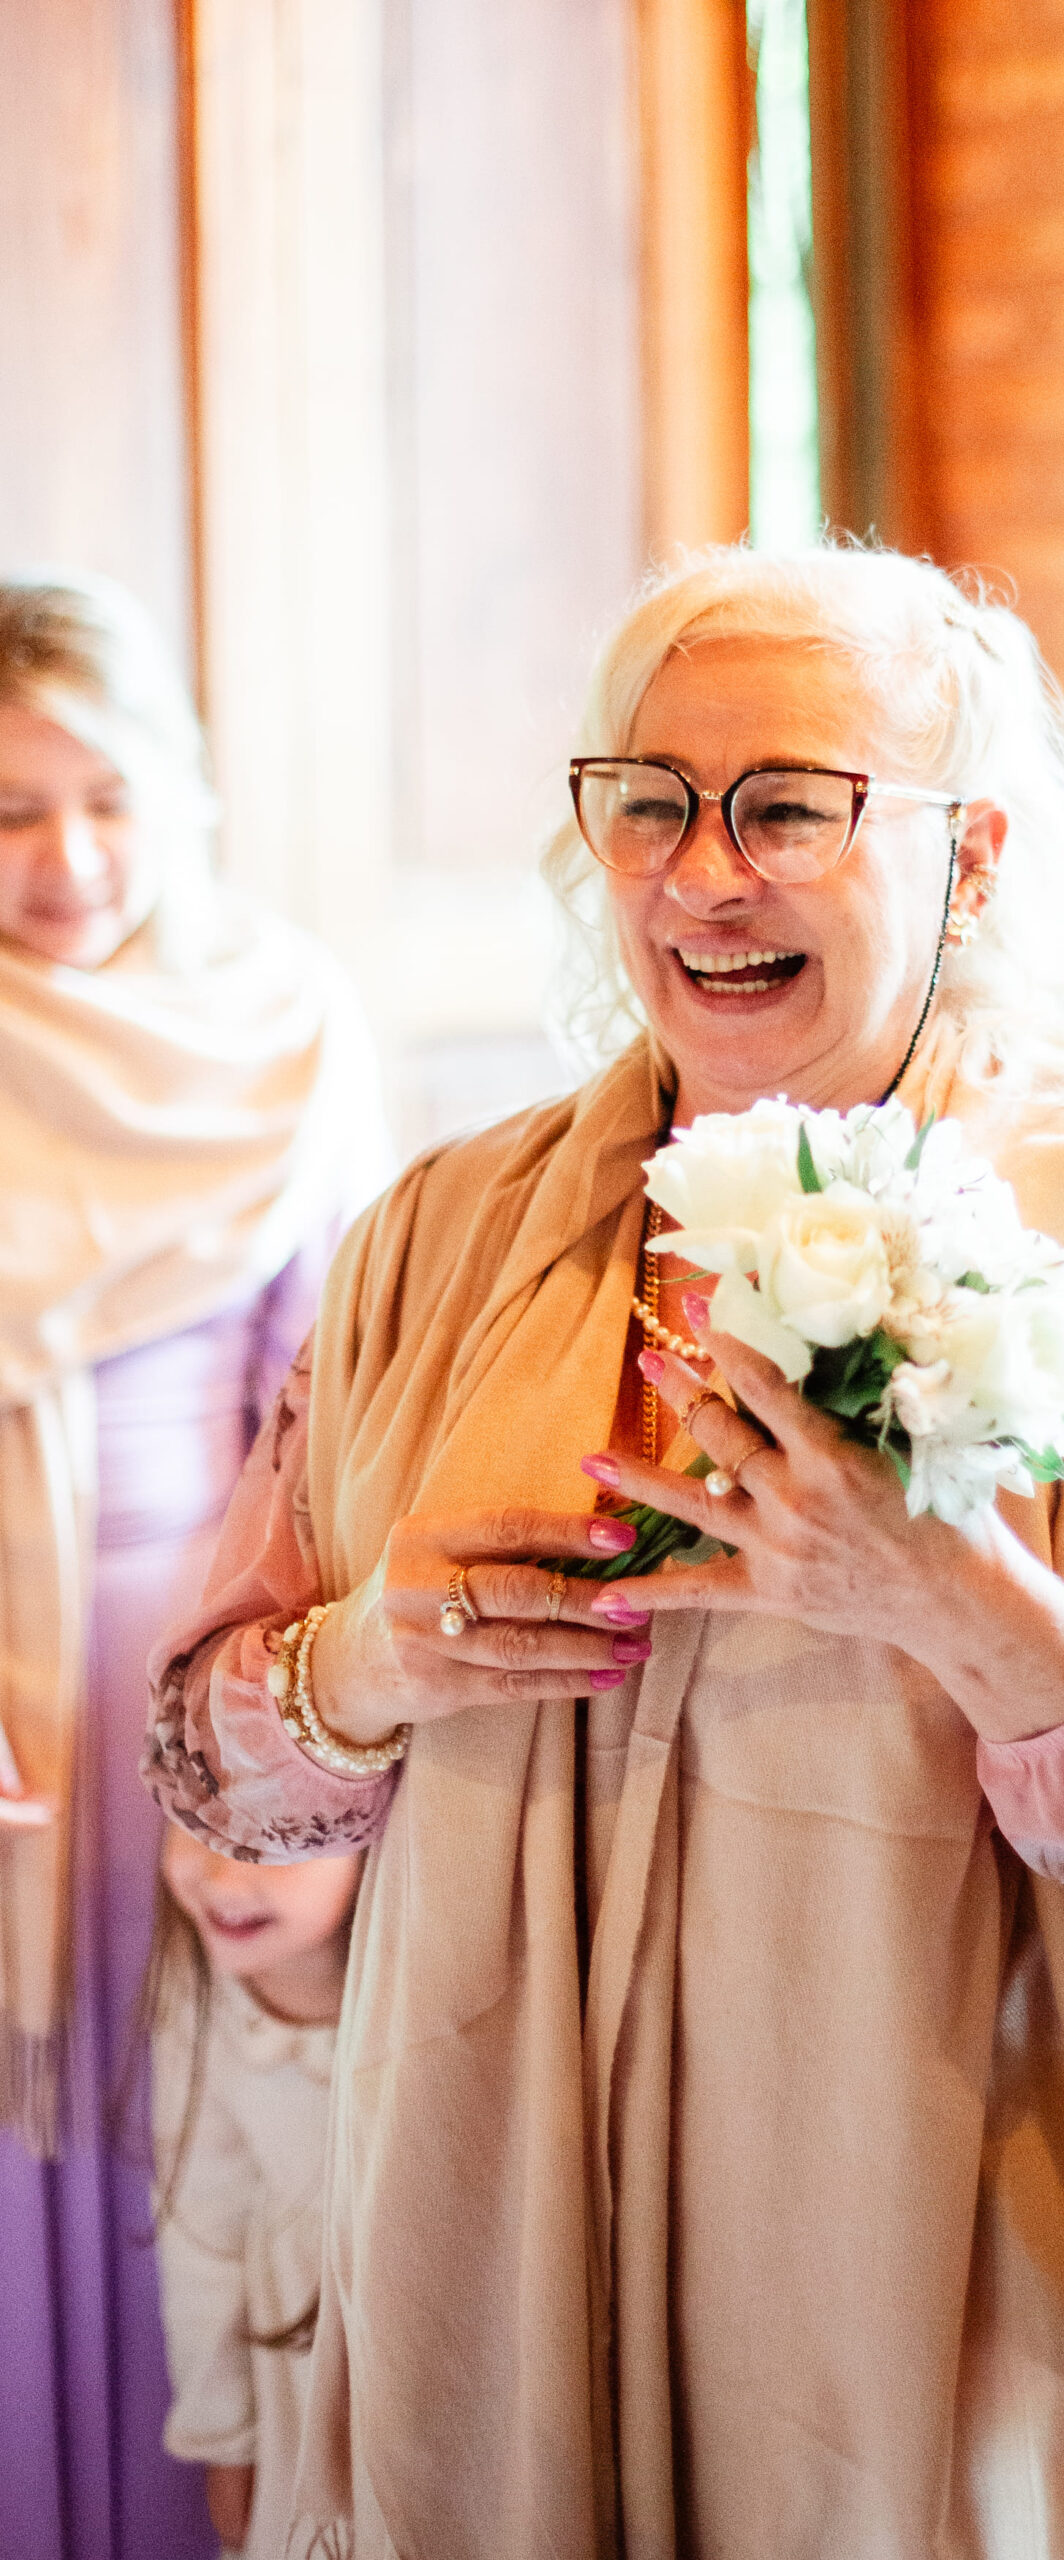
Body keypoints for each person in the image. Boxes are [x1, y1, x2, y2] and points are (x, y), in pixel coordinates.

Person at [145, 544, 1064, 2560]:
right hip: (496, 2251)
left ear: (970, 857)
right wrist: (370, 1660)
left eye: (788, 807)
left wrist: (986, 1622)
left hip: (948, 2285)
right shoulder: (438, 1235)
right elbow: (210, 1761)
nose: (702, 876)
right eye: (649, 802)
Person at [0, 569, 390, 2560]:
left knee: (198, 2172)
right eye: (8, 812)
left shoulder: (283, 1027)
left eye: (107, 800)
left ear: (184, 795)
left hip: (200, 1706)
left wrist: (283, 1740)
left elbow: (328, 1414)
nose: (67, 860)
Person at [148, 1827, 364, 2560]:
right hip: (291, 2392)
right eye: (192, 1818)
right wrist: (225, 2441)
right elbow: (200, 2220)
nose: (223, 1877)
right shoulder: (200, 1980)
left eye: (282, 1834)